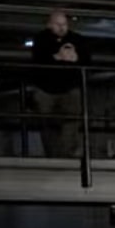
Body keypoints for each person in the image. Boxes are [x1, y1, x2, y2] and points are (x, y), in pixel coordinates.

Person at [29, 9, 90, 158]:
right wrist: (57, 56)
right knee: (47, 124)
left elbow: (87, 60)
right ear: (49, 24)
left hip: (69, 88)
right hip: (46, 89)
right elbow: (37, 61)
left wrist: (76, 59)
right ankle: (53, 154)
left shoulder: (78, 40)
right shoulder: (41, 40)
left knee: (72, 122)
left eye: (64, 24)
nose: (62, 27)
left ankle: (67, 154)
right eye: (58, 24)